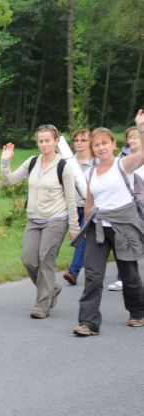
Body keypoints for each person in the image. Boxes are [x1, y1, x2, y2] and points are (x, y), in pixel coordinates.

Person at [72, 118, 144, 336]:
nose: (101, 147)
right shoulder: (90, 173)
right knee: (93, 275)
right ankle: (88, 322)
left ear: (113, 144)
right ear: (92, 150)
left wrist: (141, 128)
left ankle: (138, 312)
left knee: (129, 274)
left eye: (105, 143)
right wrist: (84, 228)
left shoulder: (123, 165)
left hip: (123, 226)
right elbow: (89, 203)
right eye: (96, 144)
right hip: (98, 227)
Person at [1, 124, 79, 319]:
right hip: (33, 220)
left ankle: (42, 305)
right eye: (40, 141)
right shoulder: (32, 161)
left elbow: (71, 199)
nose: (43, 144)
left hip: (56, 220)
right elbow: (9, 181)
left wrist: (75, 227)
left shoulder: (64, 167)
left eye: (47, 140)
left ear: (56, 142)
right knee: (28, 259)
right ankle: (52, 286)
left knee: (46, 260)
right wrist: (4, 162)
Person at [104, 126, 142, 292]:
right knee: (124, 244)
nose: (132, 140)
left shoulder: (139, 159)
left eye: (136, 137)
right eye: (130, 137)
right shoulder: (122, 158)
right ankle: (122, 278)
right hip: (129, 208)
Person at [63, 129, 94, 286]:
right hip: (72, 207)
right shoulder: (68, 162)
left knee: (81, 237)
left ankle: (73, 272)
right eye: (77, 140)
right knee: (84, 239)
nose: (80, 143)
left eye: (84, 140)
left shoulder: (95, 162)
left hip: (91, 207)